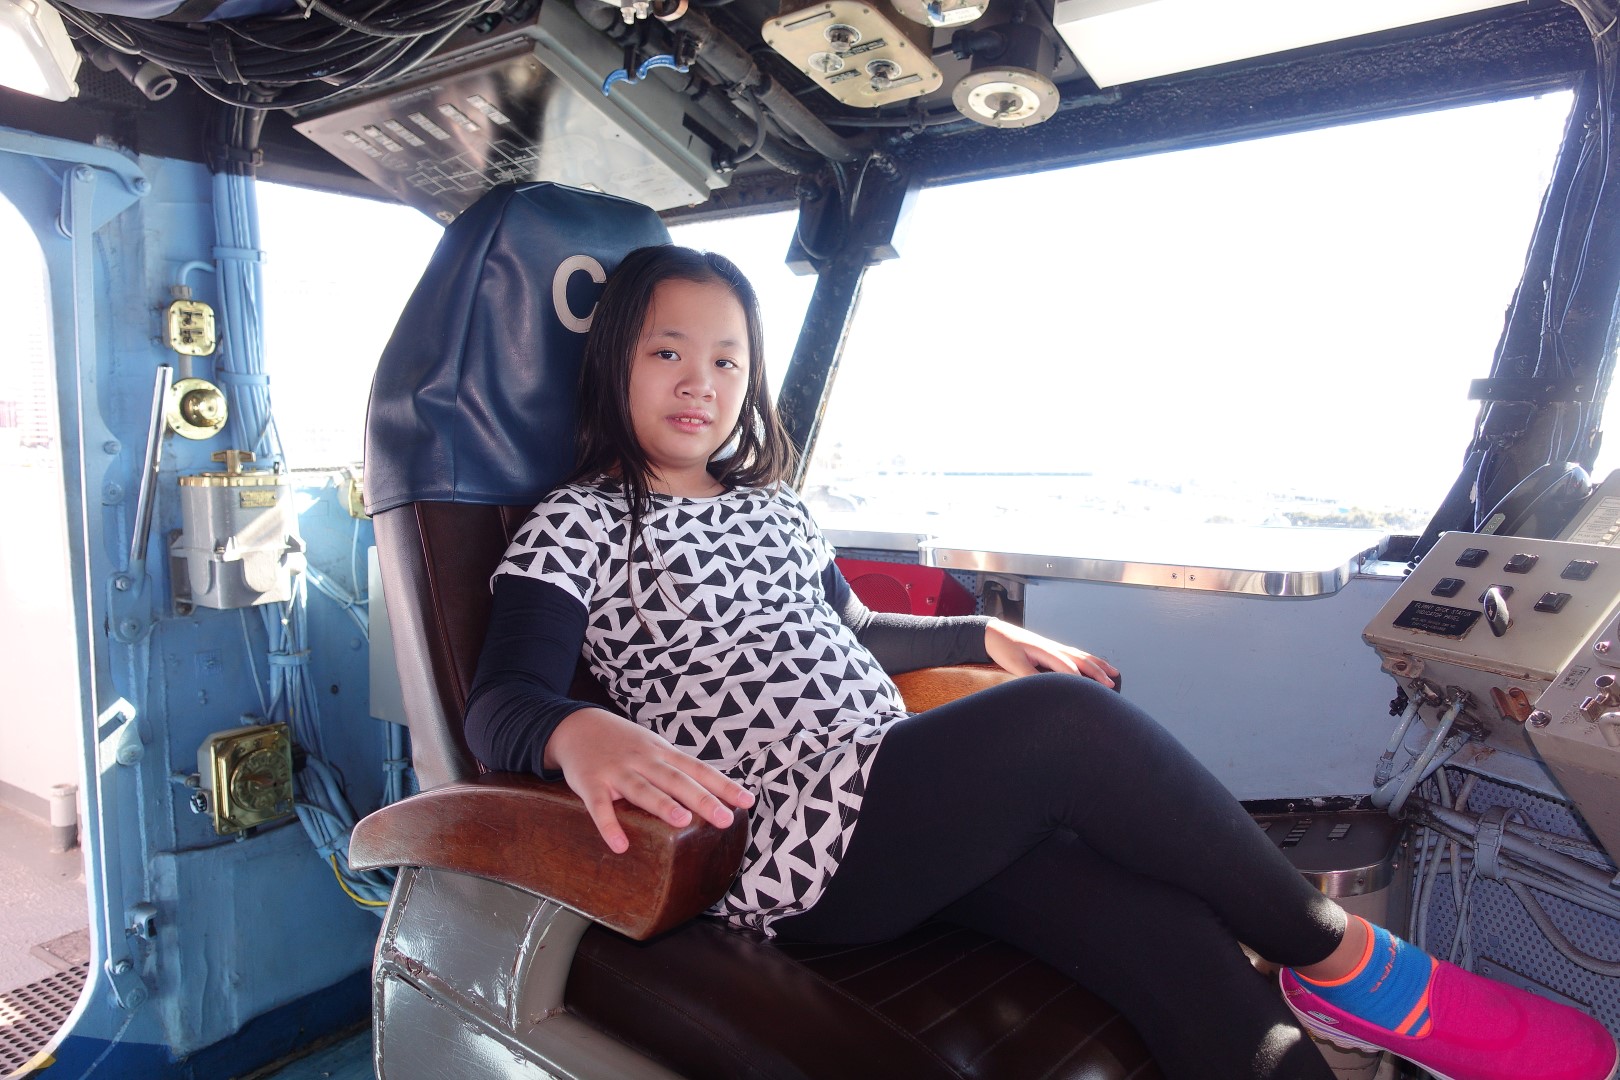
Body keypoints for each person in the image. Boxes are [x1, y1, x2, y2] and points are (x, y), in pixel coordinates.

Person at [465, 244, 1618, 1080]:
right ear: (615, 363)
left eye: (726, 359)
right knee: (1064, 728)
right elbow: (503, 701)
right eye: (668, 351)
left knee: (1179, 941)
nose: (700, 383)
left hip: (892, 796)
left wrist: (978, 637)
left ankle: (1319, 1013)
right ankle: (1348, 961)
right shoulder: (579, 522)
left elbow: (851, 633)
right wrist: (578, 727)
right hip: (781, 838)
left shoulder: (773, 510)